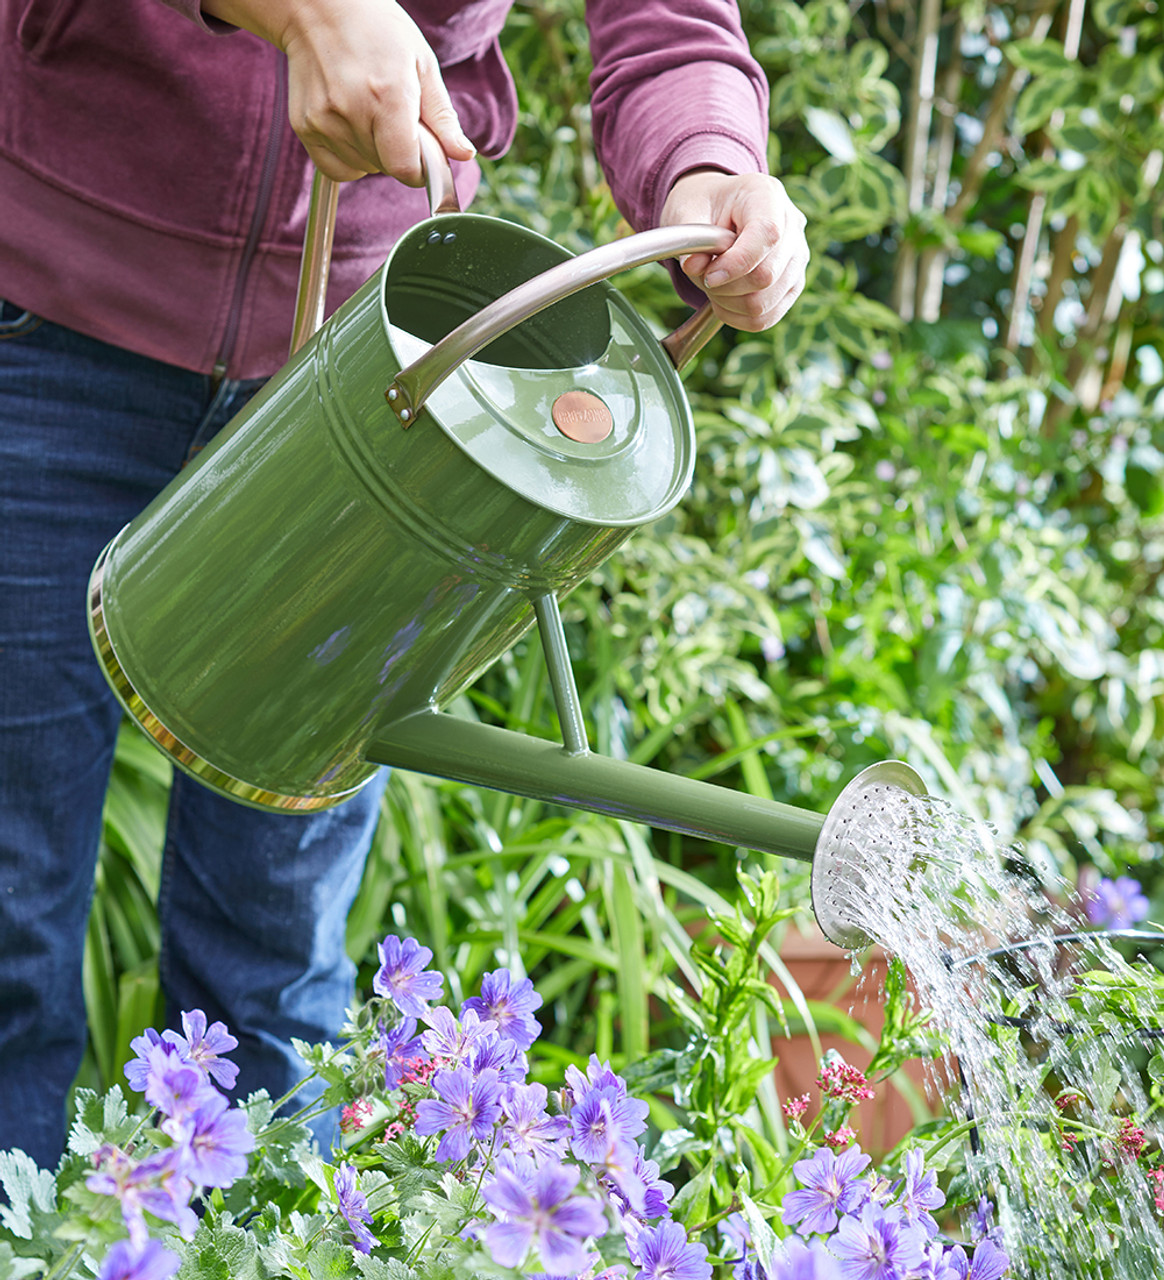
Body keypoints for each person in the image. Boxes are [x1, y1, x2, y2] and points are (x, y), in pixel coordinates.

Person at [0, 0, 809, 1169]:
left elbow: (669, 22)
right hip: (51, 318)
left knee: (268, 982)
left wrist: (707, 165)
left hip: (374, 386)